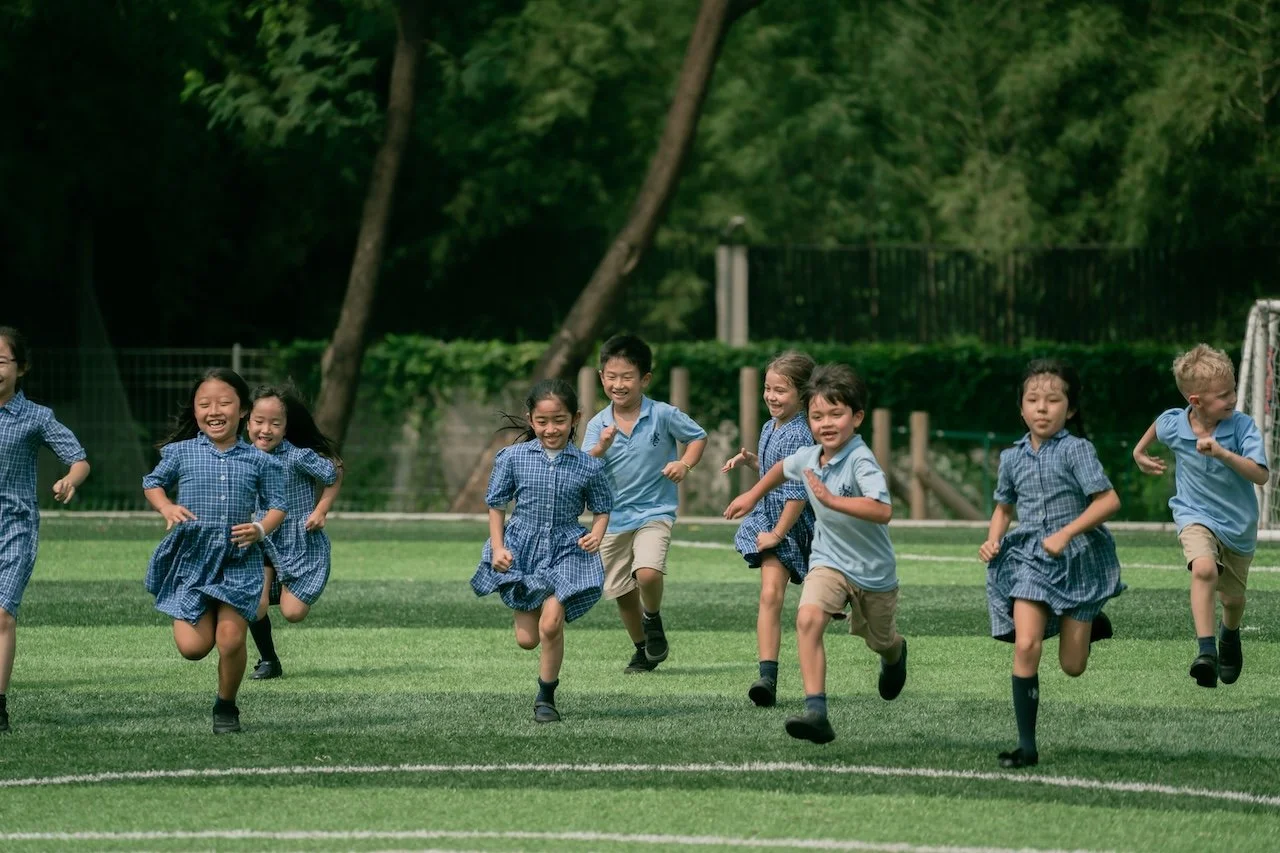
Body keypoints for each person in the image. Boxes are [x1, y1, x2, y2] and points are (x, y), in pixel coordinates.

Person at [725, 363, 905, 745]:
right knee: (807, 619)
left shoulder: (861, 461)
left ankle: (895, 653)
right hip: (827, 562)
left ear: (856, 417)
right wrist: (751, 494)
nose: (826, 423)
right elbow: (779, 469)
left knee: (880, 640)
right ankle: (816, 712)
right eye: (817, 415)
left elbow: (882, 509)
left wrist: (832, 501)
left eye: (836, 414)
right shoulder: (810, 455)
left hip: (872, 572)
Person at [979, 358, 1124, 768]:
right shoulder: (1011, 457)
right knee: (1026, 645)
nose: (1042, 408)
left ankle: (1089, 620)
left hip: (1077, 559)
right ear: (1021, 408)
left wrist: (1066, 533)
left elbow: (1109, 501)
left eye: (1053, 400)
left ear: (1070, 409)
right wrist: (992, 541)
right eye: (1033, 400)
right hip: (1030, 559)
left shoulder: (1078, 450)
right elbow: (1003, 508)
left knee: (1072, 666)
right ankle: (1027, 746)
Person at [142, 368, 287, 734]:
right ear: (195, 412)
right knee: (193, 648)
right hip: (191, 560)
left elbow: (278, 506)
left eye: (224, 402)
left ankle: (226, 706)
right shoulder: (181, 452)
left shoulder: (260, 460)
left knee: (231, 638)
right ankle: (200, 612)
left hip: (239, 560)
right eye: (204, 404)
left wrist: (258, 529)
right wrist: (166, 508)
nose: (214, 410)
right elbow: (153, 483)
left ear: (242, 410)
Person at [470, 379, 612, 722]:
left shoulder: (588, 465)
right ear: (531, 419)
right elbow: (496, 504)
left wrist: (596, 533)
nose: (552, 429)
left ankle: (546, 698)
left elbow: (603, 507)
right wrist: (498, 547)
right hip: (523, 550)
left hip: (567, 550)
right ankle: (538, 615)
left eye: (560, 420)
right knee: (527, 640)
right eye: (543, 421)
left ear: (575, 418)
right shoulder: (512, 457)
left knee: (550, 625)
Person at [1132, 344, 1268, 689]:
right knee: (1204, 568)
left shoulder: (1241, 428)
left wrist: (1222, 453)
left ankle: (1229, 635)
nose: (1232, 398)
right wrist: (1139, 452)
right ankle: (1205, 652)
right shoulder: (1176, 424)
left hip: (1237, 525)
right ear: (1195, 401)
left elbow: (1260, 475)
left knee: (1232, 601)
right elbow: (1158, 426)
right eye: (1223, 395)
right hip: (1193, 514)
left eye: (1233, 390)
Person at [583, 335, 707, 673]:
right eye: (611, 376)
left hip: (655, 512)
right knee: (622, 592)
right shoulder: (597, 424)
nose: (618, 384)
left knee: (648, 573)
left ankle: (652, 619)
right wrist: (601, 447)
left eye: (627, 377)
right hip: (611, 519)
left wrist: (685, 464)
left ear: (645, 379)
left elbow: (697, 437)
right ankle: (643, 649)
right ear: (601, 377)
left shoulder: (663, 414)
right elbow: (583, 465)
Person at [0, 326, 90, 733]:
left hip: (15, 528)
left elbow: (78, 458)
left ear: (22, 368)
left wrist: (70, 479)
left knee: (2, 615)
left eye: (1, 361)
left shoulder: (36, 417)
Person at [721, 350, 816, 707]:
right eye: (768, 388)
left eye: (781, 391)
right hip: (770, 519)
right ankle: (767, 679)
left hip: (793, 525)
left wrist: (778, 533)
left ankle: (886, 644)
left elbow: (797, 494)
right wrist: (752, 462)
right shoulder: (769, 426)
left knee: (824, 603)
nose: (771, 397)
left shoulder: (801, 434)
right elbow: (776, 474)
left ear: (803, 396)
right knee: (770, 596)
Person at [243, 384, 344, 681]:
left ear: (286, 428)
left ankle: (282, 588)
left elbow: (335, 470)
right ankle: (269, 660)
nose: (266, 429)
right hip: (259, 540)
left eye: (275, 423)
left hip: (297, 543)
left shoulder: (297, 457)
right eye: (259, 421)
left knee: (293, 612)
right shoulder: (241, 457)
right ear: (247, 421)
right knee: (254, 602)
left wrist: (321, 510)